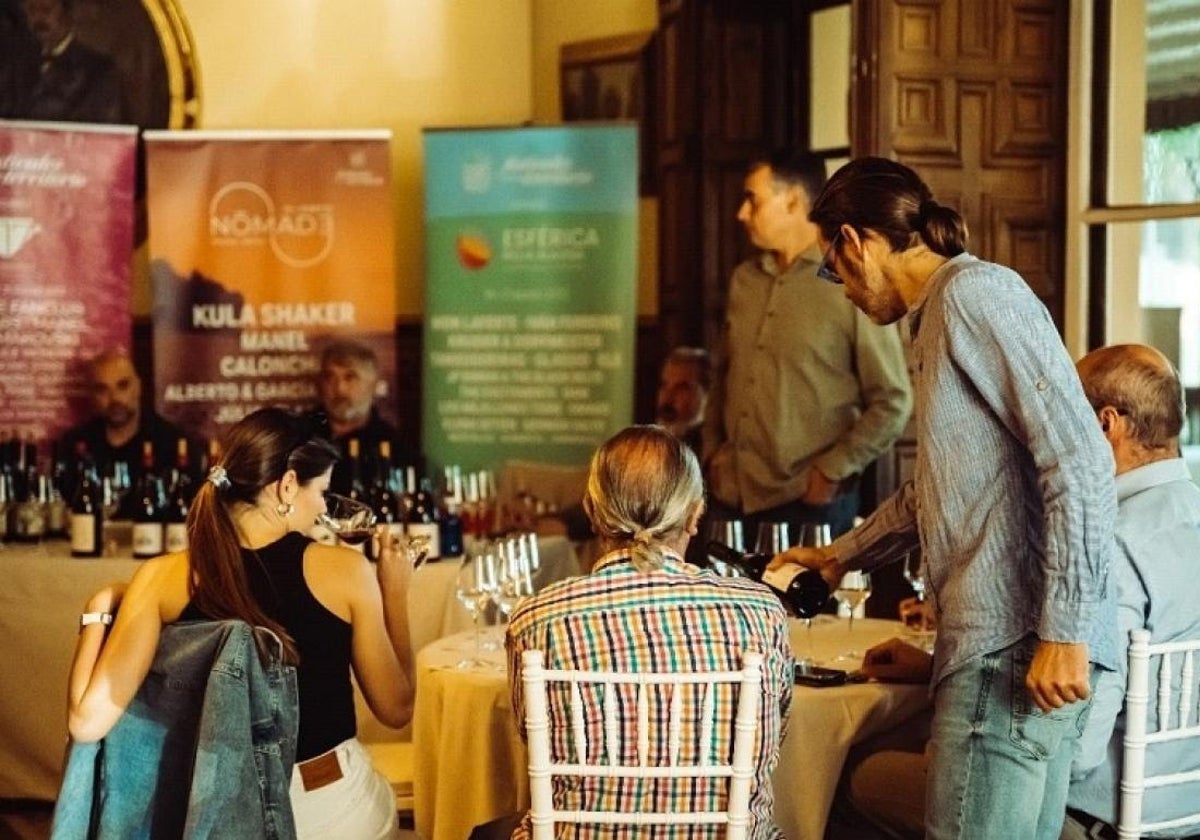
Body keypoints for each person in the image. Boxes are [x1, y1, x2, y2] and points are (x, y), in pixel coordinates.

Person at [769, 156, 1117, 840]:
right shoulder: (940, 314)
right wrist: (841, 557)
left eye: (831, 267)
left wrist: (1065, 631)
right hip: (1012, 646)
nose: (839, 288)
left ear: (856, 242)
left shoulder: (974, 295)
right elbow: (942, 484)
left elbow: (1080, 457)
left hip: (1013, 649)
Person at [843, 343, 1200, 840]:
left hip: (1089, 820)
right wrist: (935, 670)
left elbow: (1075, 749)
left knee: (859, 773)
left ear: (1104, 425)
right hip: (1186, 814)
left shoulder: (1102, 545)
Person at [66, 407, 417, 839]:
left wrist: (100, 607)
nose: (324, 508)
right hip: (327, 810)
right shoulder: (344, 570)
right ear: (287, 485)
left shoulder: (161, 577)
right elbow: (397, 708)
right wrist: (395, 594)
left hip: (213, 815)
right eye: (322, 492)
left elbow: (85, 722)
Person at [479, 425, 793, 840]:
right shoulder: (761, 610)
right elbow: (773, 734)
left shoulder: (537, 618)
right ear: (695, 514)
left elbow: (533, 739)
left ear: (592, 512)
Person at [704, 148, 912, 541]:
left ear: (795, 201)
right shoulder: (743, 280)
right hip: (728, 497)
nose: (741, 213)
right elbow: (721, 377)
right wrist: (713, 451)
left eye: (753, 199)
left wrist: (832, 470)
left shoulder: (848, 281)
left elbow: (892, 400)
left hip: (807, 503)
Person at [60, 349, 199, 508]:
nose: (115, 398)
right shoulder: (75, 445)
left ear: (139, 387)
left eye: (123, 386)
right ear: (92, 395)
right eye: (102, 389)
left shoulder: (174, 443)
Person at [305, 339, 413, 497]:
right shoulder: (300, 436)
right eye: (330, 377)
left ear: (373, 384)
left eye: (350, 377)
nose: (339, 388)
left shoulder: (394, 446)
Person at [18, 0, 124, 124]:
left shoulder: (99, 70)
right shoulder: (16, 63)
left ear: (67, 13)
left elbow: (105, 131)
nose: (38, 18)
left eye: (46, 9)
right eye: (31, 10)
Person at [654, 345, 711, 454]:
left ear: (706, 393)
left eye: (682, 388)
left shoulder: (711, 453)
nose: (667, 397)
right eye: (664, 385)